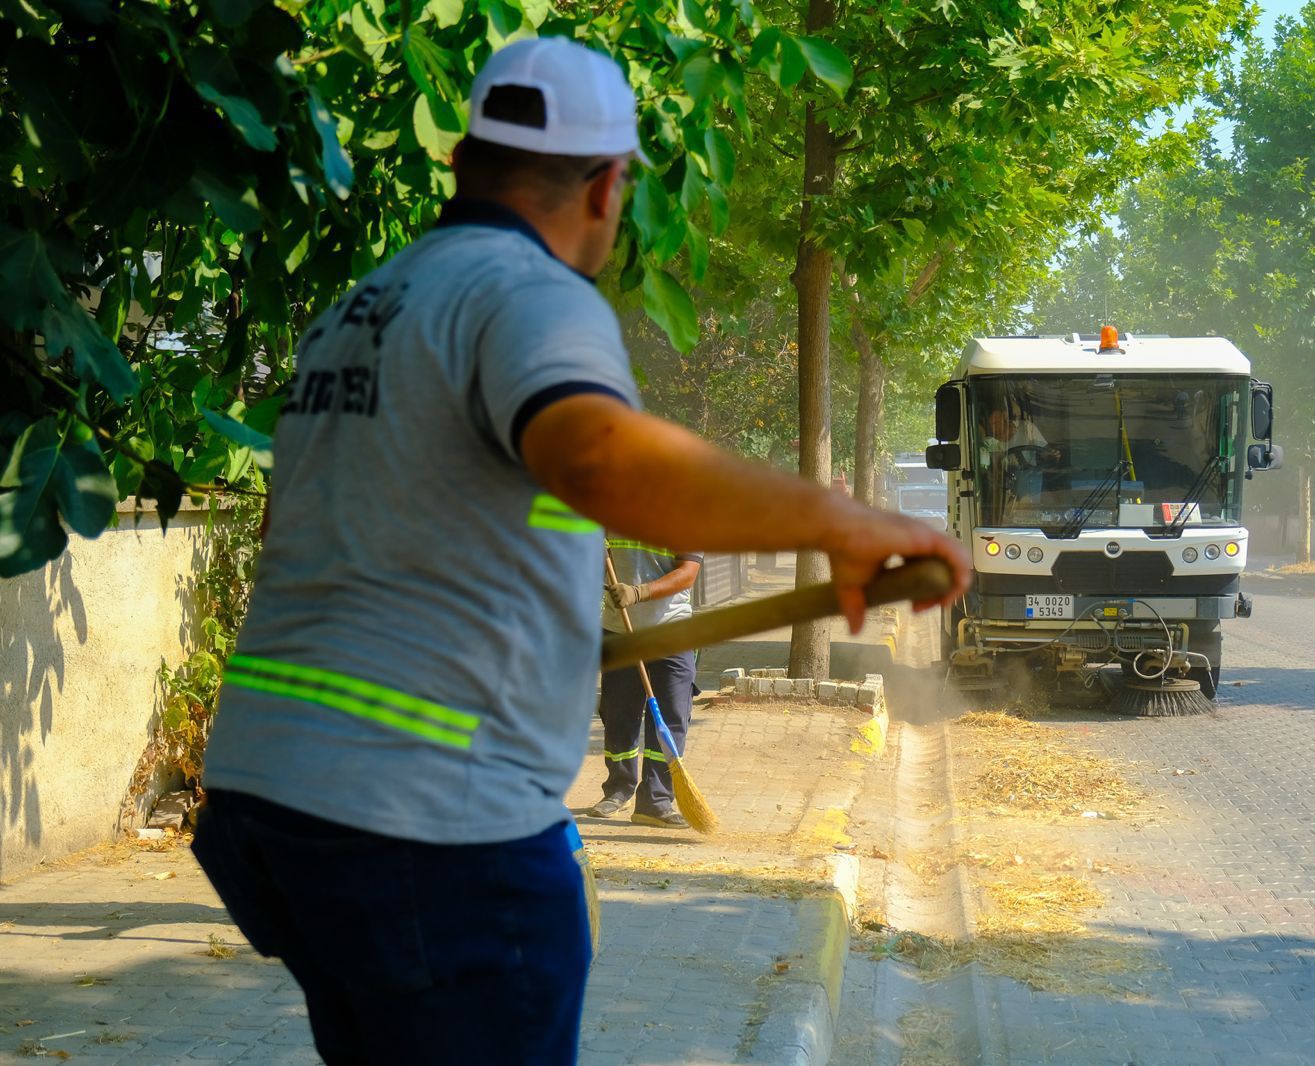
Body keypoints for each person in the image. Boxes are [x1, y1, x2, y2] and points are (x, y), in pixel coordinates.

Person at [189, 35, 967, 1066]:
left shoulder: (359, 313)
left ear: (463, 160)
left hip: (272, 803)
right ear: (607, 185)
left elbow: (325, 538)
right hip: (425, 818)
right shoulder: (529, 294)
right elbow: (601, 459)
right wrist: (841, 521)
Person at [591, 539, 701, 828]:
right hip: (619, 631)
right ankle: (618, 788)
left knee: (671, 716)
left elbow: (688, 572)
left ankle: (655, 801)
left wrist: (639, 593)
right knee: (618, 715)